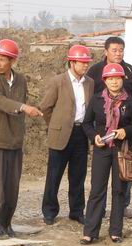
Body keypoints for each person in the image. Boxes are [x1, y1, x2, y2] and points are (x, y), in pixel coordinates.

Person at [0, 39, 43, 239]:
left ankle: (6, 223)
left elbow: (19, 100)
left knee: (11, 187)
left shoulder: (21, 80)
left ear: (12, 61)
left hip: (15, 141)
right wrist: (23, 107)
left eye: (2, 60)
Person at [80, 63, 132, 245]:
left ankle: (116, 230)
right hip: (102, 150)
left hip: (122, 151)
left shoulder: (129, 101)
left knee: (119, 190)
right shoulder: (97, 99)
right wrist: (94, 137)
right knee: (97, 190)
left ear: (122, 80)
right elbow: (86, 123)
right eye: (111, 78)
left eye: (118, 78)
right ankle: (90, 232)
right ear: (105, 80)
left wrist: (125, 131)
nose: (114, 82)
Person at [39, 44, 94, 226]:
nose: (85, 65)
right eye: (82, 62)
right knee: (54, 175)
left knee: (78, 175)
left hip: (81, 133)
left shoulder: (90, 83)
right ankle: (49, 211)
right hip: (61, 134)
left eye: (87, 62)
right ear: (72, 62)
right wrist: (55, 125)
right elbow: (46, 107)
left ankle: (77, 211)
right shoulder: (58, 81)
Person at [86, 36, 132, 218]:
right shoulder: (95, 70)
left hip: (124, 128)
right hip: (101, 125)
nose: (118, 53)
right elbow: (90, 99)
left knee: (124, 173)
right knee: (99, 180)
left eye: (121, 50)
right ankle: (98, 212)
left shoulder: (129, 70)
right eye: (114, 50)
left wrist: (126, 125)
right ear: (106, 51)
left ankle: (122, 207)